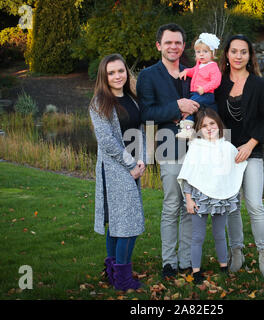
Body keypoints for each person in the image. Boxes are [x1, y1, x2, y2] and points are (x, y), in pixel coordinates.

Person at [215, 35, 264, 277]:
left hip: (251, 152)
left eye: (243, 52)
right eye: (233, 51)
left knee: (254, 204)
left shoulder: (258, 84)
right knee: (232, 206)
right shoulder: (219, 84)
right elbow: (211, 117)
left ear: (249, 56)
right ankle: (237, 253)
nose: (238, 56)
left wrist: (250, 144)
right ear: (227, 54)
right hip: (226, 154)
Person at [136, 23, 200, 279]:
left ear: (183, 46)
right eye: (168, 42)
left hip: (197, 149)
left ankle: (186, 261)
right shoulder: (148, 76)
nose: (173, 47)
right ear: (158, 45)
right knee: (172, 203)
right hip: (169, 147)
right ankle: (169, 263)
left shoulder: (192, 72)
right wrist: (177, 106)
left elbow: (204, 102)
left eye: (178, 43)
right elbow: (146, 114)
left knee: (190, 207)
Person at [89, 53, 146, 291]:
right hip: (115, 170)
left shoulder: (132, 98)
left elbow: (139, 130)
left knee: (117, 222)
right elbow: (108, 141)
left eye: (120, 71)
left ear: (126, 72)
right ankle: (123, 279)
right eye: (111, 72)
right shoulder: (99, 103)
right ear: (104, 76)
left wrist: (142, 159)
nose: (117, 76)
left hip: (133, 165)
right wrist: (131, 164)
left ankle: (112, 271)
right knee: (128, 224)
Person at [177, 108, 247, 284]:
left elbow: (236, 166)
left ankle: (223, 266)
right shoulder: (195, 147)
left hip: (221, 198)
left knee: (219, 234)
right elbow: (188, 175)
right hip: (199, 198)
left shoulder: (228, 147)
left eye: (212, 124)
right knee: (198, 236)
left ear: (219, 125)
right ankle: (196, 271)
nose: (209, 128)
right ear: (199, 129)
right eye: (204, 125)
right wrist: (188, 199)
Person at [176, 33, 222, 140]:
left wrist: (204, 88)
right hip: (197, 93)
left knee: (189, 107)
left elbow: (216, 81)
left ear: (212, 53)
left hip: (206, 94)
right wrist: (186, 72)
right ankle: (188, 130)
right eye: (198, 52)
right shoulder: (199, 65)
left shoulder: (212, 67)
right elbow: (193, 72)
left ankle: (187, 129)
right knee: (191, 109)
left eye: (205, 52)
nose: (201, 54)